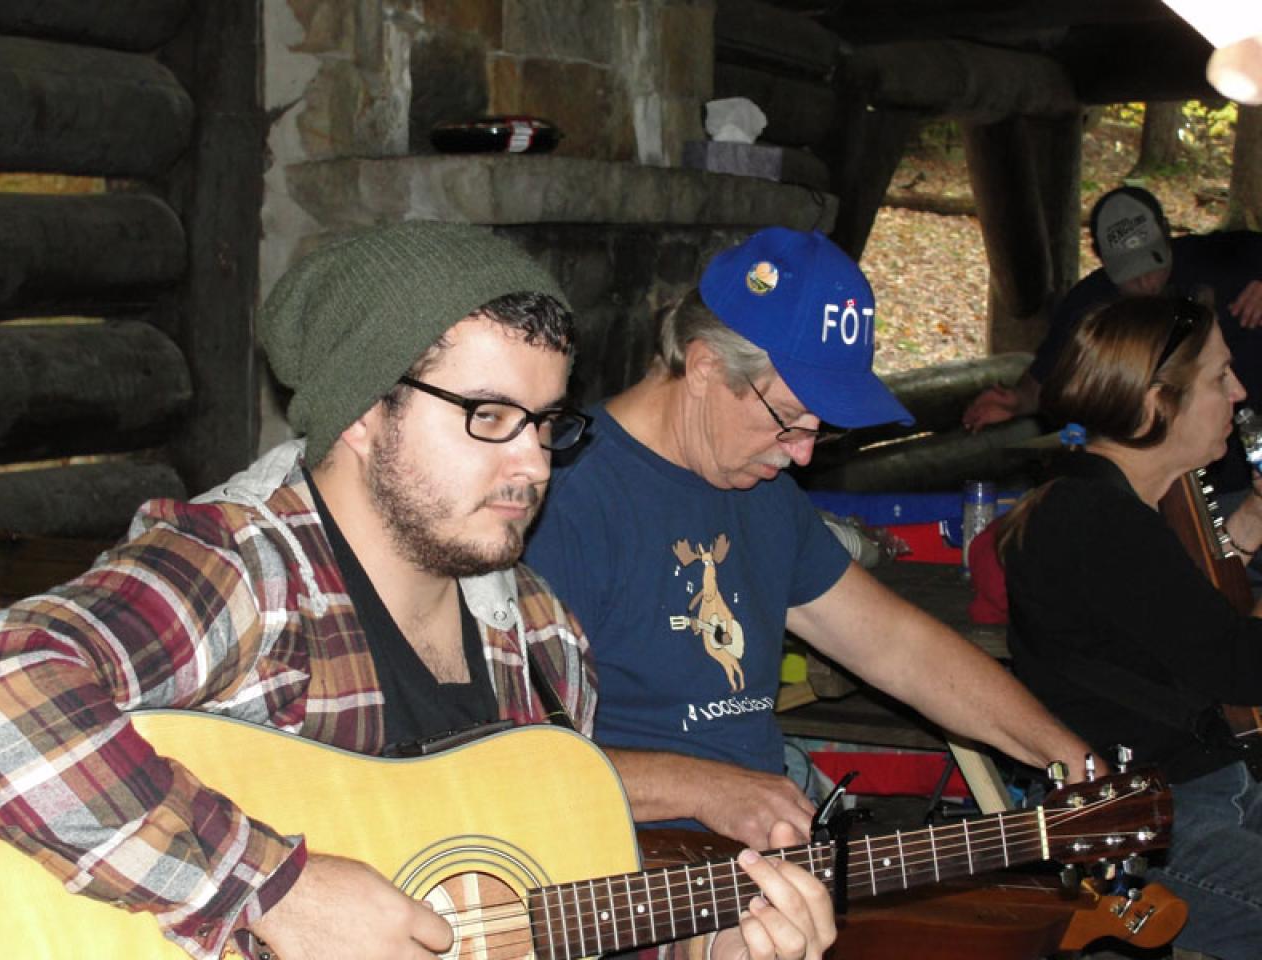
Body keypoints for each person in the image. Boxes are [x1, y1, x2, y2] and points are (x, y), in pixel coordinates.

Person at [0, 222, 834, 960]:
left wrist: (707, 946)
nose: (534, 464)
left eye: (544, 423)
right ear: (364, 408)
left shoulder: (544, 639)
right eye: (488, 417)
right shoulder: (246, 573)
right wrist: (271, 888)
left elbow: (527, 915)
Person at [523, 226, 1097, 850]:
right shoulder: (561, 502)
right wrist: (703, 788)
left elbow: (897, 646)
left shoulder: (758, 488)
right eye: (790, 419)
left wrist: (1071, 761)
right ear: (706, 366)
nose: (801, 455)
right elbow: (505, 761)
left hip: (761, 854)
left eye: (820, 430)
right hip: (628, 872)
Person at [998, 294, 1262, 960]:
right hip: (1150, 828)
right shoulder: (1098, 522)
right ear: (1154, 405)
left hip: (1207, 790)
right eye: (1218, 377)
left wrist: (1252, 524)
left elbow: (1185, 622)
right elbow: (1241, 668)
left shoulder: (1119, 501)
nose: (1239, 392)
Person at [962, 186, 1262, 486]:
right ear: (1101, 258)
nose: (1147, 282)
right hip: (1161, 478)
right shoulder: (1089, 305)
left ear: (1165, 232)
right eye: (1132, 273)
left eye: (1154, 264)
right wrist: (1015, 401)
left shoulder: (1225, 257)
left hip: (1247, 457)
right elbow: (1049, 377)